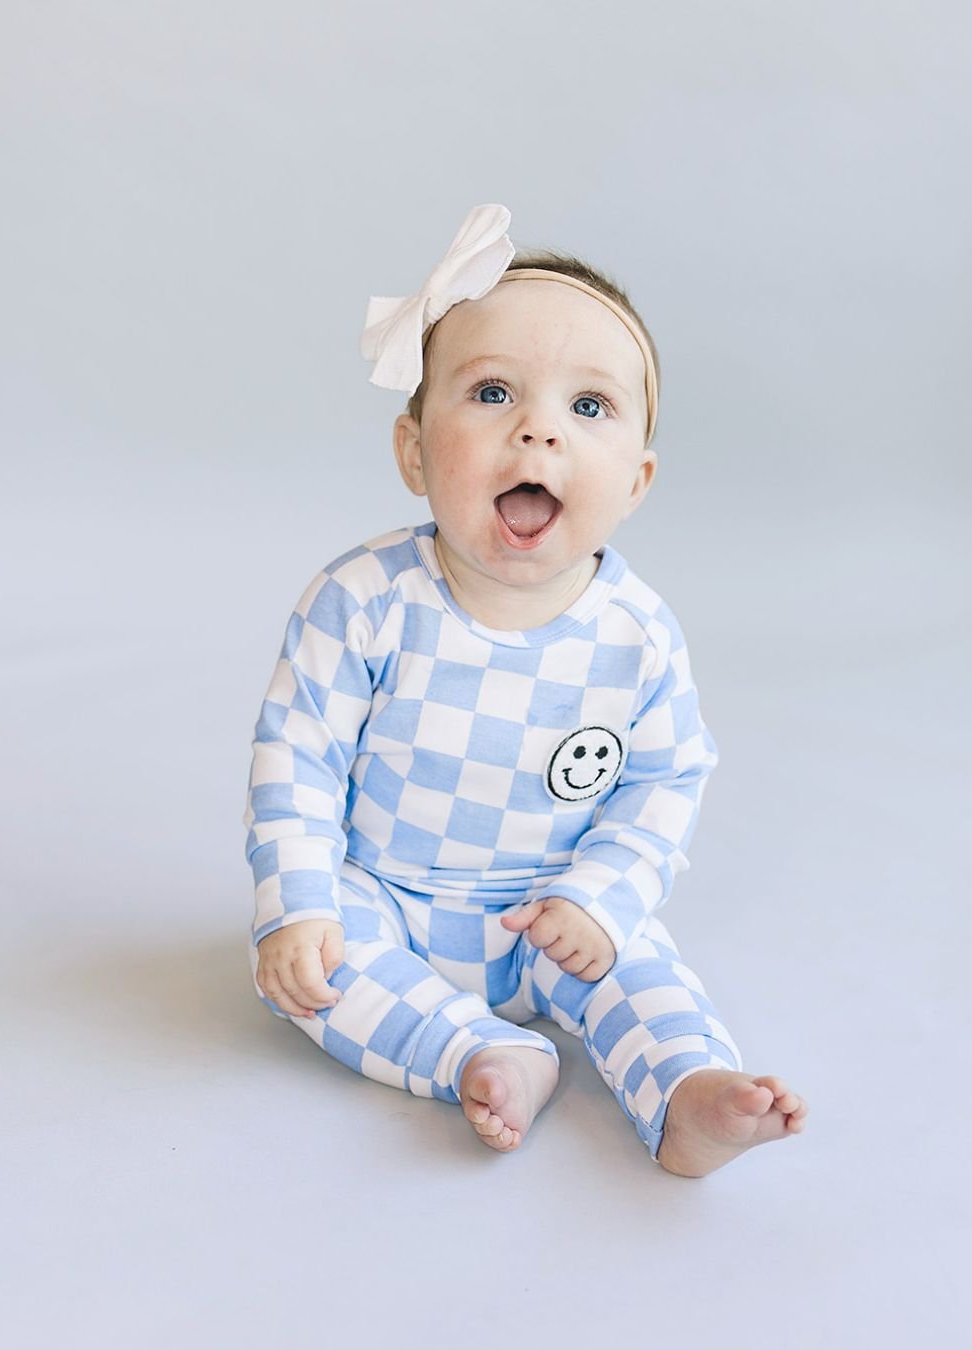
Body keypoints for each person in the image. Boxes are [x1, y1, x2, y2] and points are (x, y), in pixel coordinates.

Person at [244, 205, 807, 1175]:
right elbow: (298, 755)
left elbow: (665, 781)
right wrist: (299, 904)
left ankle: (687, 1090)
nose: (539, 428)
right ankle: (480, 1052)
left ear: (636, 481)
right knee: (310, 972)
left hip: (552, 910)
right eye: (493, 392)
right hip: (385, 896)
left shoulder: (636, 638)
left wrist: (599, 896)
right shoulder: (364, 600)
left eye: (588, 407)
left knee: (639, 961)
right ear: (415, 451)